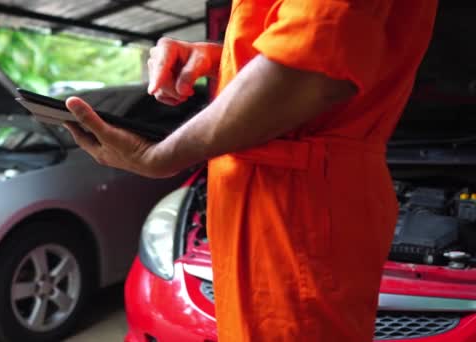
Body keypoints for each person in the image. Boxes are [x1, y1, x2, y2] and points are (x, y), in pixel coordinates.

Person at [63, 0, 438, 340]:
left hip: (295, 208)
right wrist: (224, 59)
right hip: (287, 201)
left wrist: (161, 156)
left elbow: (309, 69)